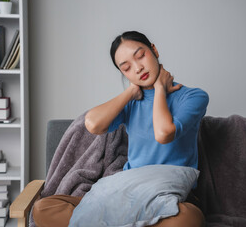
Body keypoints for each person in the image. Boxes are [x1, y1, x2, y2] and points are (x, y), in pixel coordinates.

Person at [33, 31, 208, 227]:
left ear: (154, 50)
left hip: (170, 195)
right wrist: (131, 91)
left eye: (140, 56)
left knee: (190, 219)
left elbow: (163, 133)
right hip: (127, 194)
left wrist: (160, 89)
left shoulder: (193, 97)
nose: (138, 67)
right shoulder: (131, 103)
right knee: (43, 208)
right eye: (126, 68)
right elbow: (92, 124)